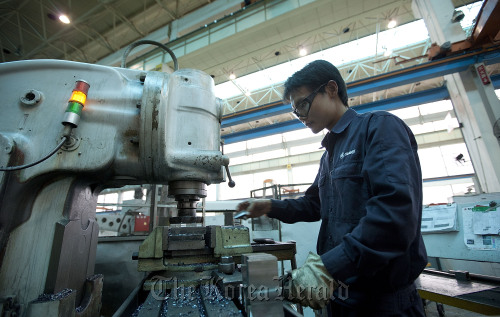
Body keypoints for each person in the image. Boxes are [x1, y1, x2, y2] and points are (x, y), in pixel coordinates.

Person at [236, 60, 427, 316]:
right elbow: (314, 204)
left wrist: (327, 267)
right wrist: (270, 206)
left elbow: (395, 215)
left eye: (303, 104)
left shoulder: (379, 128)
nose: (301, 116)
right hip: (341, 297)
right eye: (295, 111)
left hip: (383, 304)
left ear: (331, 89)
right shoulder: (329, 156)